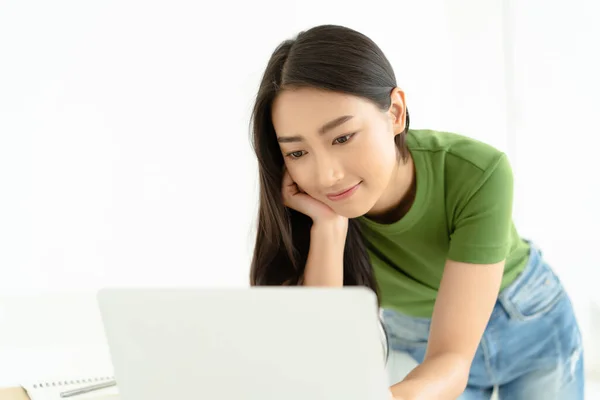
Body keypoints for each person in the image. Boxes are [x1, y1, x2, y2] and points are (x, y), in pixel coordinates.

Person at [248, 24, 584, 400]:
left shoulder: (476, 172)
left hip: (526, 319)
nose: (326, 175)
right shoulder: (312, 210)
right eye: (297, 152)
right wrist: (329, 227)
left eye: (342, 137)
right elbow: (322, 355)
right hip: (415, 337)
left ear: (395, 112)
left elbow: (453, 357)